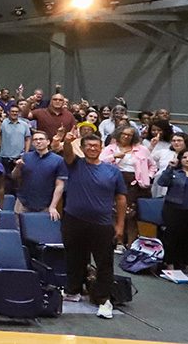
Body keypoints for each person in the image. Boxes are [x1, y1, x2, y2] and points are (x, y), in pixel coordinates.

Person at [59, 132, 127, 319]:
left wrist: (120, 225)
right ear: (82, 148)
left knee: (104, 263)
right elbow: (66, 153)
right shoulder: (75, 164)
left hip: (102, 224)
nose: (92, 148)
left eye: (96, 145)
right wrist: (66, 141)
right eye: (88, 145)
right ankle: (73, 291)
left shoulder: (112, 171)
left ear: (101, 148)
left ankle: (104, 300)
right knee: (74, 258)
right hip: (74, 220)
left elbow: (121, 199)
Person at [101, 125, 155, 250]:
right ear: (119, 134)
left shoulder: (142, 149)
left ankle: (132, 244)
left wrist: (148, 176)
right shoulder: (110, 148)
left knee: (132, 215)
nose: (126, 136)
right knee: (115, 213)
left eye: (129, 135)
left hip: (136, 185)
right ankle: (118, 242)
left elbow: (153, 166)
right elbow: (99, 162)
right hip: (114, 182)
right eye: (124, 134)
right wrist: (114, 157)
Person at [11, 131, 67, 218]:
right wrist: (17, 167)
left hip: (46, 204)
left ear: (48, 142)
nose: (38, 141)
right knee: (19, 230)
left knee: (41, 230)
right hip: (23, 202)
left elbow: (60, 186)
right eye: (35, 140)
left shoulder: (58, 160)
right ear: (33, 143)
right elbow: (14, 176)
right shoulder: (26, 157)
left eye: (41, 139)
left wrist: (53, 206)